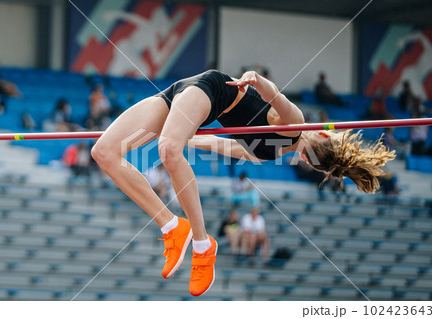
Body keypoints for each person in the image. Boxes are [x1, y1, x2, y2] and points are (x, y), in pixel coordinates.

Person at [91, 69, 395, 296]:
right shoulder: (296, 123)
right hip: (204, 88)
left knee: (136, 151)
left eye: (308, 159)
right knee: (129, 151)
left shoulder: (264, 154)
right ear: (323, 134)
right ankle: (187, 234)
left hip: (197, 97)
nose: (304, 158)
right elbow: (276, 96)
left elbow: (219, 146)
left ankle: (187, 235)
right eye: (309, 155)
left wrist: (178, 135)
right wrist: (258, 80)